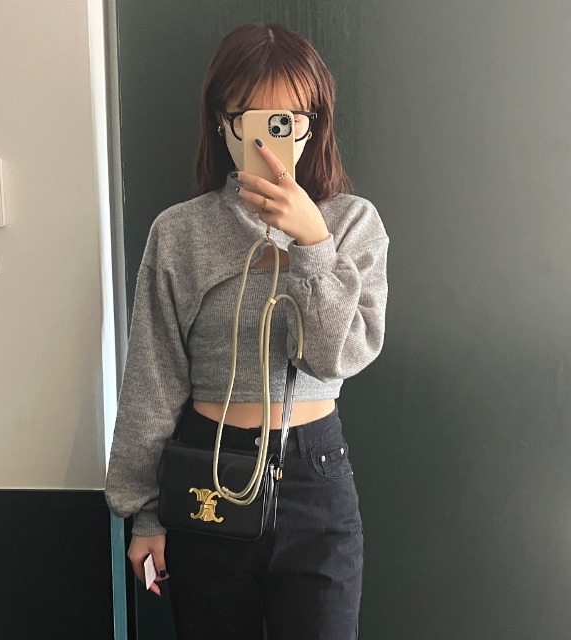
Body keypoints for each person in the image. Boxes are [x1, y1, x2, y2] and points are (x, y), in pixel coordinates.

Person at [104, 22, 389, 640]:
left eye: (289, 119)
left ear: (313, 125)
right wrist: (144, 513)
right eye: (253, 118)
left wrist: (313, 244)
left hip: (315, 472)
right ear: (223, 123)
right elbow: (152, 379)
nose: (271, 139)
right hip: (207, 468)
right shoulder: (180, 232)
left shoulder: (352, 224)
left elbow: (336, 357)